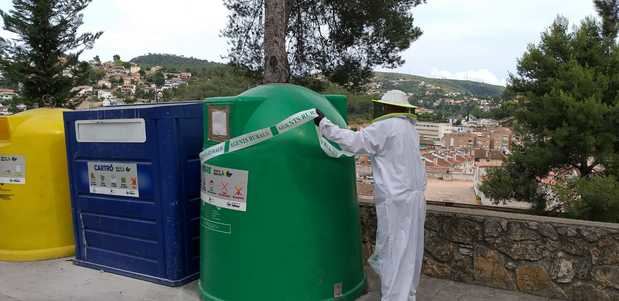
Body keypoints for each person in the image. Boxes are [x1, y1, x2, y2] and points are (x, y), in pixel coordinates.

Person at [314, 95, 427, 301]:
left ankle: (394, 297)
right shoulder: (410, 129)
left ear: (387, 107)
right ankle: (407, 296)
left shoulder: (386, 127)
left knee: (394, 250)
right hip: (415, 199)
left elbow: (354, 142)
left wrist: (323, 124)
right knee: (410, 252)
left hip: (396, 200)